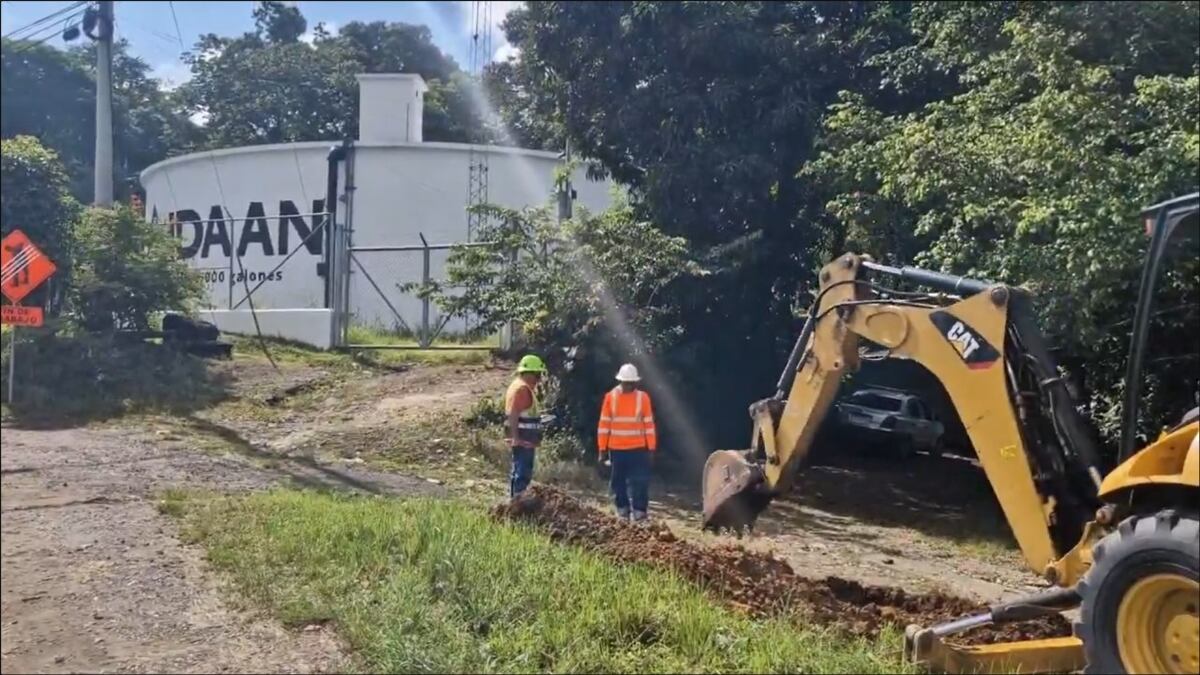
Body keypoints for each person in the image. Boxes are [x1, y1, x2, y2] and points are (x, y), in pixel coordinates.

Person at [596, 363, 657, 521]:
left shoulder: (643, 398)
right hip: (617, 449)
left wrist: (651, 448)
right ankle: (622, 511)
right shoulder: (611, 397)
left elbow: (649, 425)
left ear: (635, 383)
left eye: (631, 383)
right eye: (626, 383)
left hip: (638, 448)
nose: (628, 386)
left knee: (640, 482)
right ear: (620, 381)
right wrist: (602, 449)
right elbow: (604, 425)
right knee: (618, 483)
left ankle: (640, 513)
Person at [505, 354, 547, 498]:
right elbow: (513, 413)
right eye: (537, 375)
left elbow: (524, 413)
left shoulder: (519, 386)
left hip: (525, 439)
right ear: (529, 373)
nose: (539, 379)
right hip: (523, 440)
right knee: (522, 474)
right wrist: (516, 437)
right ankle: (518, 504)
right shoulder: (522, 389)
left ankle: (514, 503)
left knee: (518, 471)